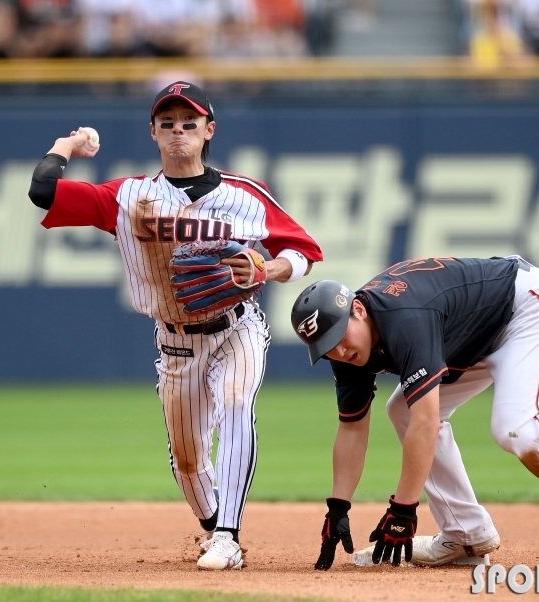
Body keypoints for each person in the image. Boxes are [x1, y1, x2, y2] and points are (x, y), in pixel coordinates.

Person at [28, 80, 323, 570]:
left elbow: (305, 252)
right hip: (175, 340)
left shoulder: (246, 195)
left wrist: (267, 269)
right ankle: (213, 528)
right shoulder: (128, 198)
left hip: (237, 328)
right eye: (167, 124)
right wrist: (66, 146)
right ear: (153, 133)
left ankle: (228, 535)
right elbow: (43, 192)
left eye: (189, 123)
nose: (178, 131)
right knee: (187, 459)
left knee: (235, 404)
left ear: (209, 130)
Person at [290, 256, 539, 570]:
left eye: (339, 337)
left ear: (358, 309)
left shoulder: (404, 317)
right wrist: (338, 506)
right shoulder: (349, 354)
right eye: (326, 347)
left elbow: (427, 420)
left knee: (517, 430)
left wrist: (404, 508)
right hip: (473, 338)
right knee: (402, 409)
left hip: (527, 306)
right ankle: (466, 536)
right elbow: (352, 429)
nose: (338, 352)